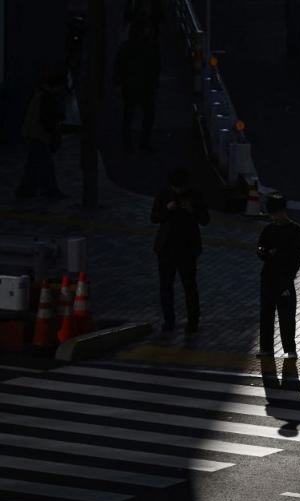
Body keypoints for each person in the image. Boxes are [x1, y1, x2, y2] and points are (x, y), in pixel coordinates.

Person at [151, 167, 209, 332]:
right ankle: (169, 321)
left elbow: (205, 219)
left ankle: (193, 321)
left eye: (180, 188)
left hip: (187, 248)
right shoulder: (164, 194)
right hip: (166, 247)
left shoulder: (195, 195)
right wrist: (167, 209)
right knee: (166, 286)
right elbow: (154, 217)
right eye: (175, 187)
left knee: (189, 286)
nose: (178, 191)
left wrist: (192, 210)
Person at [258, 193, 300, 358]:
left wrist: (274, 255)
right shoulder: (269, 229)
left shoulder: (294, 231)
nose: (275, 217)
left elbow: (296, 257)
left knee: (286, 316)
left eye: (277, 213)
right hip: (269, 278)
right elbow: (260, 249)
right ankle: (266, 348)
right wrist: (265, 252)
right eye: (273, 214)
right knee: (266, 315)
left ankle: (290, 349)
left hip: (284, 279)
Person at [15, 70, 67, 200]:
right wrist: (54, 133)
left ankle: (27, 190)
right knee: (45, 165)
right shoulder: (46, 97)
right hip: (40, 134)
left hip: (34, 133)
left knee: (33, 164)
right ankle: (49, 191)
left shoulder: (41, 94)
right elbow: (47, 119)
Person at [114, 22, 160, 152]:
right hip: (145, 87)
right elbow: (156, 67)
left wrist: (118, 82)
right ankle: (143, 144)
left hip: (129, 87)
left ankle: (128, 144)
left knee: (128, 115)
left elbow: (118, 66)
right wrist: (155, 84)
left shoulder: (125, 48)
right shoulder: (149, 48)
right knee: (148, 116)